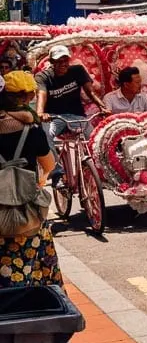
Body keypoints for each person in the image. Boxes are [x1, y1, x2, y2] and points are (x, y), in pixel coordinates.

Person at [0, 71, 64, 289]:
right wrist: (38, 181)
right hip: (26, 211)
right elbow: (49, 165)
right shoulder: (31, 128)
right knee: (31, 267)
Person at [35, 46, 110, 188]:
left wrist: (102, 106)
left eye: (65, 60)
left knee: (95, 138)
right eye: (58, 61)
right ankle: (56, 172)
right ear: (51, 61)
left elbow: (90, 91)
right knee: (44, 135)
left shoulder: (78, 71)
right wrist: (40, 112)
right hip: (54, 117)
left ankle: (100, 171)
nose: (63, 64)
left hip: (76, 116)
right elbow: (42, 95)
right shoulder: (43, 77)